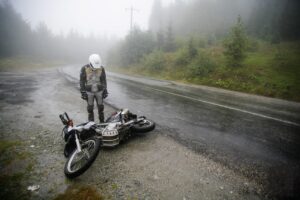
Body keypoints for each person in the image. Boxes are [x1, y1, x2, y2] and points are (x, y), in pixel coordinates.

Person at [80, 54, 108, 122]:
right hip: (89, 92)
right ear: (90, 62)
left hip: (99, 91)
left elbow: (103, 80)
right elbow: (82, 81)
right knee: (90, 108)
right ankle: (91, 123)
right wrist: (83, 91)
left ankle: (102, 122)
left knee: (101, 108)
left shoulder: (101, 68)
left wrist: (105, 90)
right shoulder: (84, 68)